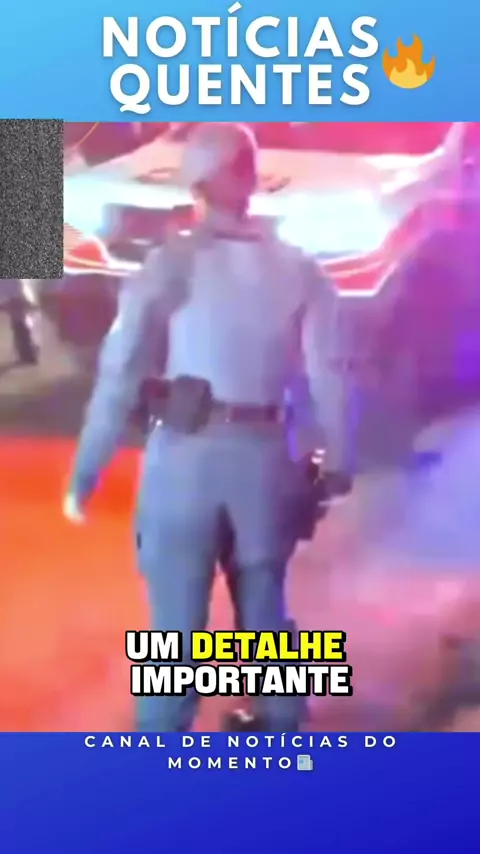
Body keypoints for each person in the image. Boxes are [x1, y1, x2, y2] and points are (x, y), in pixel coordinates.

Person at [63, 122, 351, 732]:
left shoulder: (169, 265)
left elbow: (120, 374)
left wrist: (85, 474)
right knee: (265, 610)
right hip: (266, 461)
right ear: (252, 178)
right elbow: (330, 373)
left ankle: (162, 758)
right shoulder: (301, 270)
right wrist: (339, 461)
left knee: (174, 634)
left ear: (192, 184)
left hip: (184, 464)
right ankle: (279, 729)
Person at [1, 278, 41, 364]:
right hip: (14, 297)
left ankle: (27, 353)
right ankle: (27, 353)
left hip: (13, 298)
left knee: (20, 325)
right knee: (20, 325)